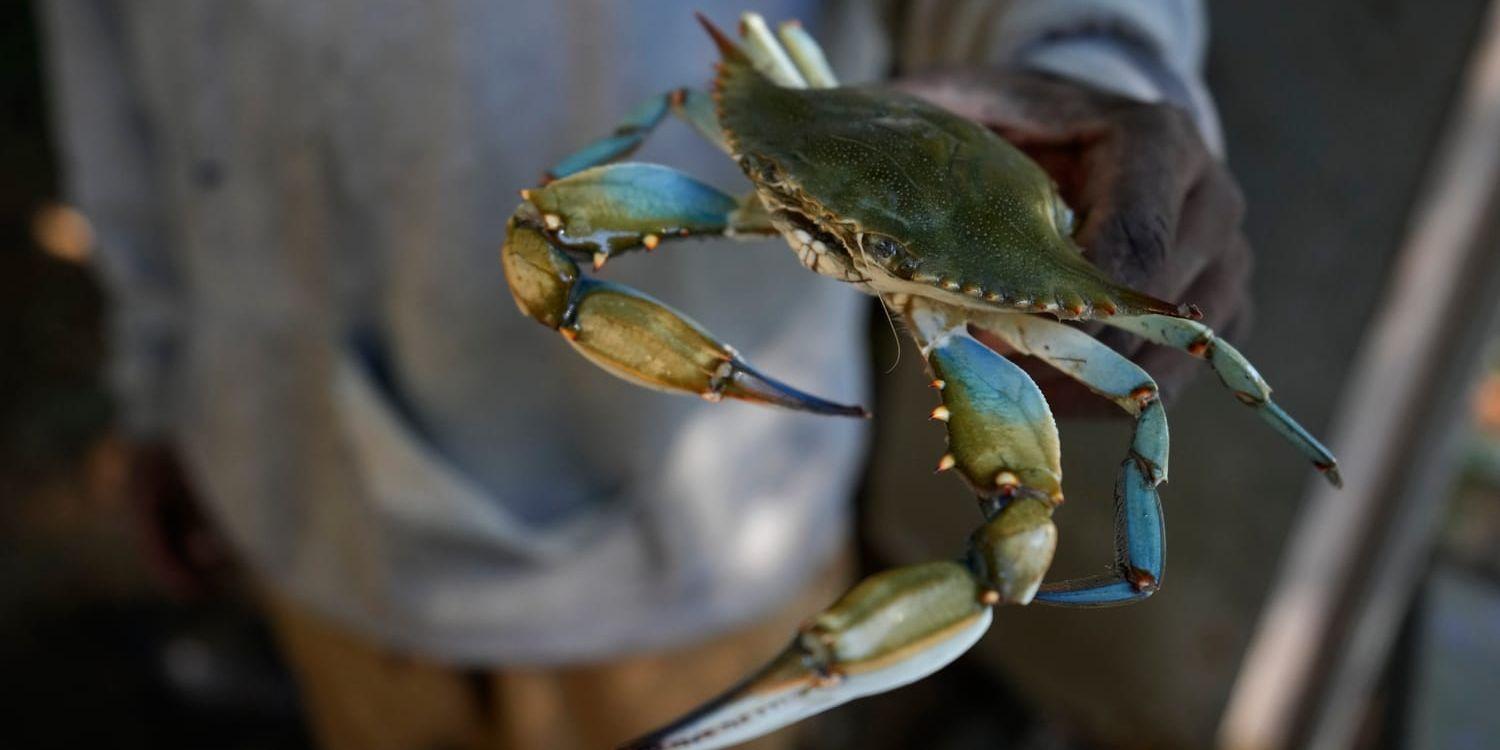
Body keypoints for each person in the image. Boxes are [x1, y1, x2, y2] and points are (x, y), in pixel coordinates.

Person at [42, 0, 1248, 747]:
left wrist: (1098, 57)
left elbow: (1107, 423)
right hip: (288, 481)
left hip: (685, 569)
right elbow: (108, 69)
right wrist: (162, 372)